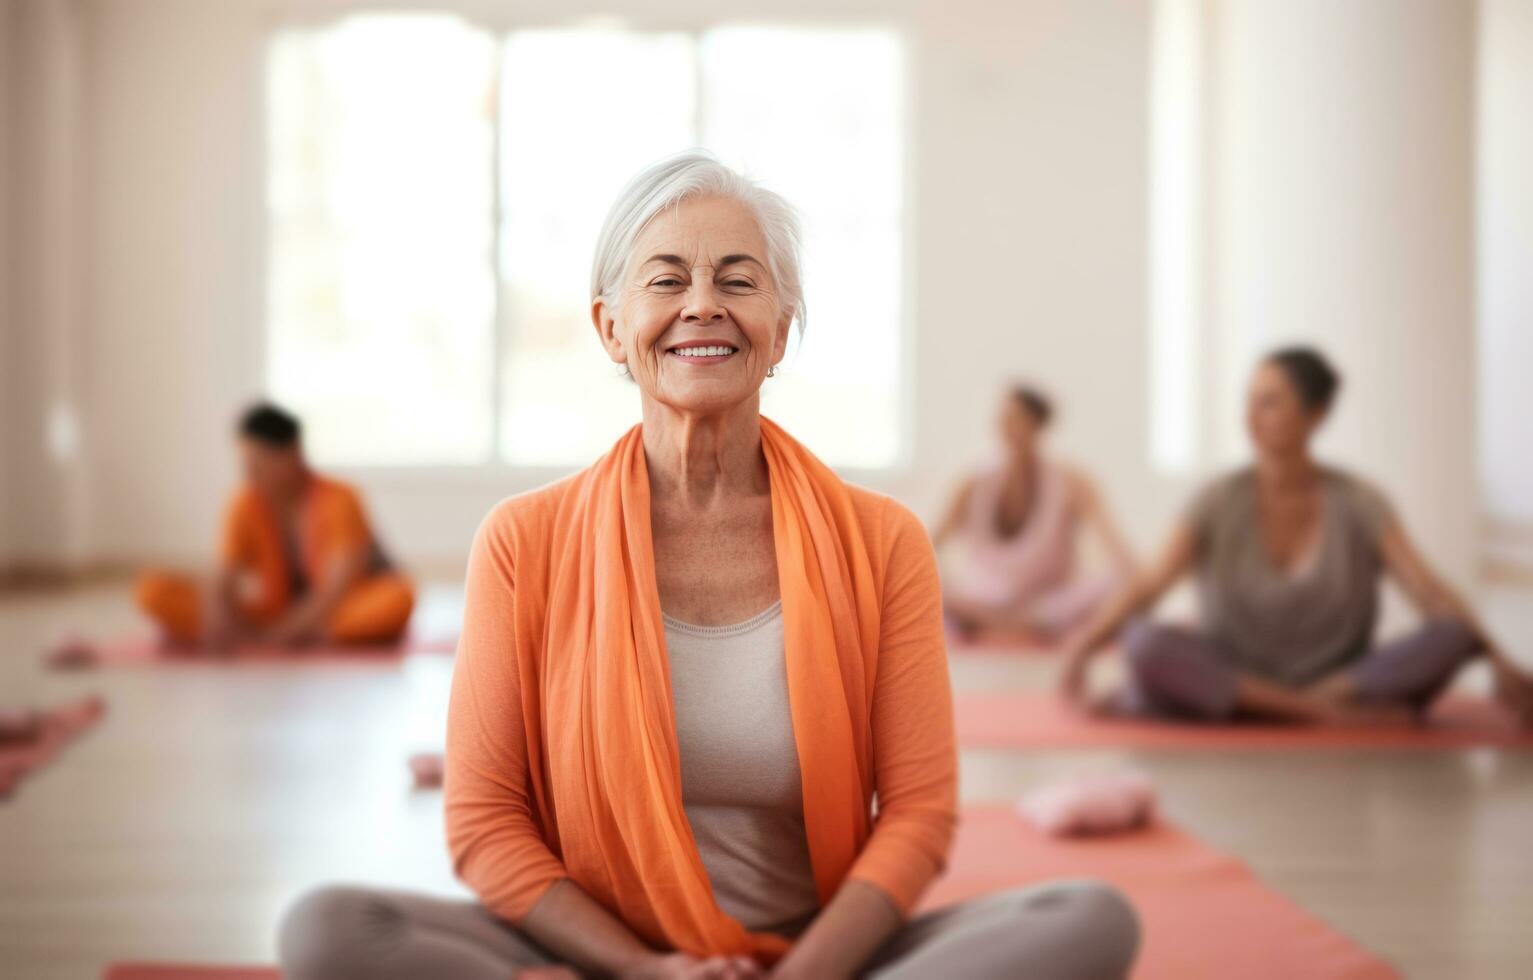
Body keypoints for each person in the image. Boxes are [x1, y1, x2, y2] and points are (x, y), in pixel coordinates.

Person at [278, 153, 1139, 980]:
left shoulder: (881, 540)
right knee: (330, 930)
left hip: (817, 951)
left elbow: (915, 817)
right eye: (665, 280)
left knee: (1085, 919)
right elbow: (483, 823)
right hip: (603, 954)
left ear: (780, 329)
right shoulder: (523, 539)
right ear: (610, 327)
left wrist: (807, 972)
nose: (702, 306)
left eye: (737, 280)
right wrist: (644, 968)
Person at [1059, 347, 1533, 727]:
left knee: (1453, 635)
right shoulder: (1216, 499)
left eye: (1269, 402)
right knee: (1143, 641)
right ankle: (1315, 713)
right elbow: (1148, 585)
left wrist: (1497, 659)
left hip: (1340, 677)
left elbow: (1429, 591)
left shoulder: (1360, 500)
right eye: (1249, 401)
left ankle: (1272, 707)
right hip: (1238, 670)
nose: (1251, 417)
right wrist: (1084, 644)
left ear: (1315, 414)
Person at [105, 404, 411, 656]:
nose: (248, 473)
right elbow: (224, 575)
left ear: (292, 454)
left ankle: (305, 632)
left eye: (257, 463)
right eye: (244, 463)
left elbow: (337, 586)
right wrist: (219, 616)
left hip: (334, 609)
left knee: (397, 599)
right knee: (151, 590)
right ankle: (298, 634)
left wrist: (279, 636)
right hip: (270, 614)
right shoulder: (244, 503)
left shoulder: (341, 498)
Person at [935, 385, 1137, 645]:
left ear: (1038, 425)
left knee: (1114, 584)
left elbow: (1120, 554)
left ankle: (1009, 627)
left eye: (1016, 419)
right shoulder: (972, 482)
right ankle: (1009, 626)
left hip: (1047, 604)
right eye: (1004, 418)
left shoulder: (1071, 481)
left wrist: (1137, 589)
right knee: (925, 587)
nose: (1007, 427)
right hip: (984, 601)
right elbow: (928, 546)